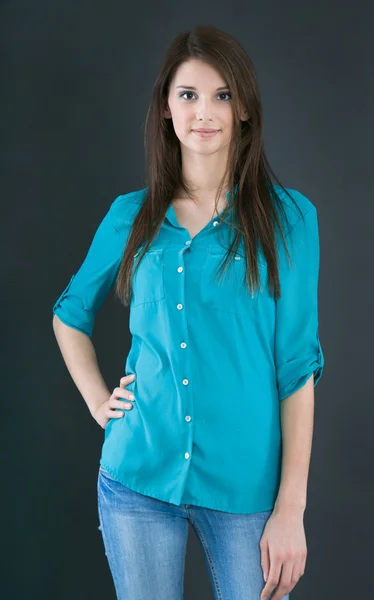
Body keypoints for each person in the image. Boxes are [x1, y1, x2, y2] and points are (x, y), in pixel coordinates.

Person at [52, 24, 324, 600]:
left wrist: (291, 509)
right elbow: (69, 314)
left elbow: (297, 367)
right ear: (166, 110)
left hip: (247, 489)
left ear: (245, 109)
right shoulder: (131, 216)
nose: (204, 112)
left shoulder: (291, 220)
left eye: (222, 95)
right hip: (138, 479)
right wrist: (100, 402)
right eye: (188, 95)